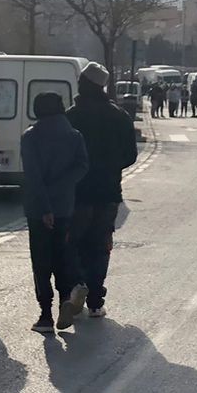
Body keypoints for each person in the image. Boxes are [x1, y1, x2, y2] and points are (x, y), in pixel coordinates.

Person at [66, 64, 138, 319]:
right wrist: (111, 166)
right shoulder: (118, 116)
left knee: (73, 242)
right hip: (108, 191)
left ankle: (76, 285)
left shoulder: (72, 116)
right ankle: (96, 300)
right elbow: (130, 154)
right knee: (100, 245)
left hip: (77, 191)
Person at [21, 91, 91, 332]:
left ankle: (45, 314)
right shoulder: (74, 136)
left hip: (38, 209)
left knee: (41, 261)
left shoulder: (31, 137)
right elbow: (83, 165)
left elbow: (32, 176)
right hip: (65, 206)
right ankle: (64, 300)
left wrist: (44, 206)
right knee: (61, 256)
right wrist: (64, 186)